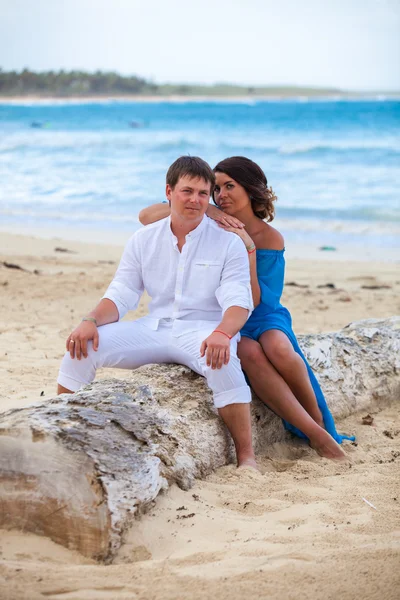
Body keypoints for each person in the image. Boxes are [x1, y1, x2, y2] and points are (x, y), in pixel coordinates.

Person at [139, 156, 354, 459]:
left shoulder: (270, 236)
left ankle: (320, 423)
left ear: (251, 189)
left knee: (278, 347)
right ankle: (315, 434)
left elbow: (259, 300)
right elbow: (146, 215)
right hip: (225, 314)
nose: (220, 194)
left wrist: (248, 248)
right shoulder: (208, 220)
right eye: (215, 189)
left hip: (262, 313)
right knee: (250, 352)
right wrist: (210, 211)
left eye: (229, 186)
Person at [57, 156, 257, 468]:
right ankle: (61, 428)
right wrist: (90, 320)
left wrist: (222, 333)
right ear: (169, 191)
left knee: (224, 360)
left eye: (203, 194)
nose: (195, 200)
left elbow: (238, 300)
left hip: (204, 330)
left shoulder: (227, 242)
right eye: (187, 191)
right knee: (80, 348)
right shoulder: (143, 239)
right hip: (154, 327)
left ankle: (246, 457)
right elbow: (123, 292)